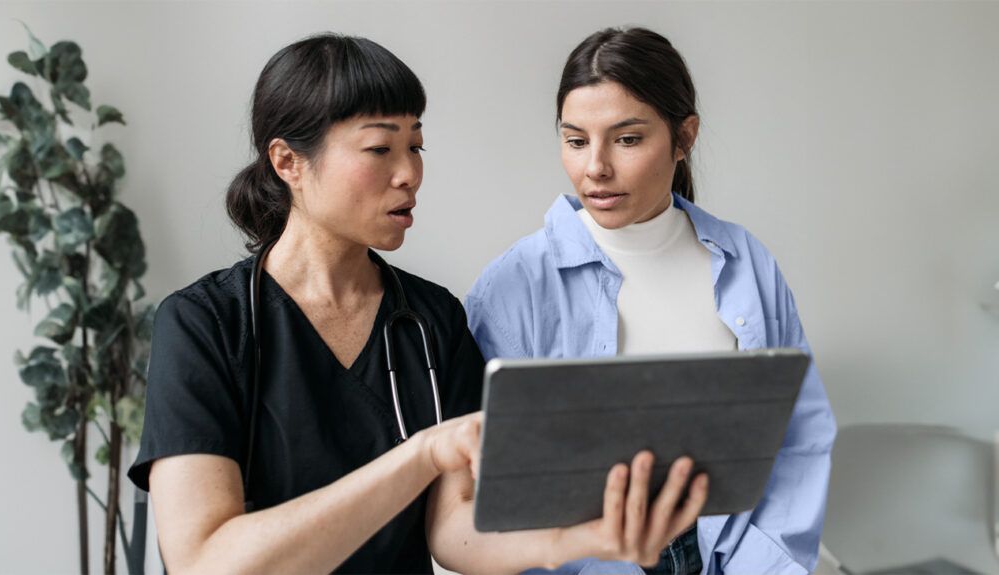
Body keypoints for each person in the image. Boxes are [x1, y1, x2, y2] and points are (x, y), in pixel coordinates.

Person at [129, 33, 708, 574]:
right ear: (288, 162)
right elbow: (205, 562)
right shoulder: (205, 324)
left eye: (416, 145)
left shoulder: (432, 320)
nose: (409, 173)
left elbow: (452, 532)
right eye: (380, 147)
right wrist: (422, 454)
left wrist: (583, 540)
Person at [465, 27, 837, 575]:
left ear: (684, 138)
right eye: (575, 140)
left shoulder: (746, 261)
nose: (595, 167)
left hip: (729, 552)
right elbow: (495, 487)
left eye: (627, 139)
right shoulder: (512, 287)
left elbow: (799, 434)